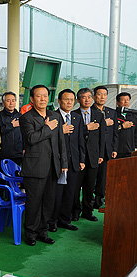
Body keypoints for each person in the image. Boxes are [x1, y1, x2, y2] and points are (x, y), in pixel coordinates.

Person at [20, 84, 67, 246]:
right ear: (32, 99)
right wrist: (47, 127)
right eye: (38, 96)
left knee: (48, 203)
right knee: (34, 203)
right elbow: (31, 139)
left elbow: (61, 141)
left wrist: (64, 163)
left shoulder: (55, 116)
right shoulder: (26, 117)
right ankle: (31, 233)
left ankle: (43, 232)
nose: (42, 99)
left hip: (53, 167)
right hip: (35, 168)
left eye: (45, 96)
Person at [49, 89, 85, 232]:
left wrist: (82, 159)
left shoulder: (77, 117)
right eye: (66, 99)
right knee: (57, 194)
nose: (69, 102)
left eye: (72, 99)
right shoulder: (53, 116)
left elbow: (81, 140)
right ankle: (52, 221)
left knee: (70, 193)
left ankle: (65, 220)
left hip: (74, 162)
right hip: (58, 162)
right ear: (59, 101)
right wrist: (60, 131)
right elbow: (49, 139)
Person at [72, 88, 105, 222]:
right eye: (84, 97)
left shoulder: (98, 115)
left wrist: (101, 154)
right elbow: (73, 135)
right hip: (77, 156)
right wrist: (87, 128)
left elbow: (102, 137)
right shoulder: (73, 114)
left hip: (93, 156)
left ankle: (87, 211)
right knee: (75, 187)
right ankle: (74, 212)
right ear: (78, 100)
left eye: (89, 97)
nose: (87, 100)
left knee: (89, 186)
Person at [92, 86, 118, 209]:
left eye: (105, 94)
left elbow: (114, 133)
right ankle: (88, 201)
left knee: (103, 177)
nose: (102, 97)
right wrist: (103, 123)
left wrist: (114, 149)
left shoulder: (112, 112)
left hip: (107, 150)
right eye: (99, 94)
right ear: (94, 96)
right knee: (90, 177)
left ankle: (99, 200)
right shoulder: (89, 111)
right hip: (92, 150)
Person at [0, 91, 22, 169]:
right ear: (3, 103)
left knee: (17, 177)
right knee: (3, 178)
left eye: (13, 100)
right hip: (4, 153)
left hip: (18, 154)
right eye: (8, 101)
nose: (11, 103)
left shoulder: (21, 116)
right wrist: (11, 125)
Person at [115, 92, 137, 159]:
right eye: (123, 99)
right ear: (117, 102)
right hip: (117, 151)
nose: (126, 101)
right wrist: (121, 126)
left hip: (131, 150)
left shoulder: (133, 116)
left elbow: (135, 133)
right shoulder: (113, 115)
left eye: (128, 99)